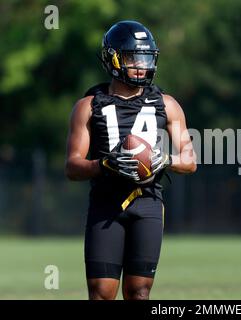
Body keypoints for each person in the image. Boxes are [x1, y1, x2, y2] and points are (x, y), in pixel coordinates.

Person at [65, 20, 197, 300]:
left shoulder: (167, 103)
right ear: (112, 59)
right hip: (106, 205)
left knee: (139, 292)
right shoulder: (89, 105)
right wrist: (104, 164)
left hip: (148, 203)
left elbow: (190, 160)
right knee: (101, 293)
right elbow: (72, 165)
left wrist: (165, 160)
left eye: (145, 58)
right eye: (132, 58)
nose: (141, 65)